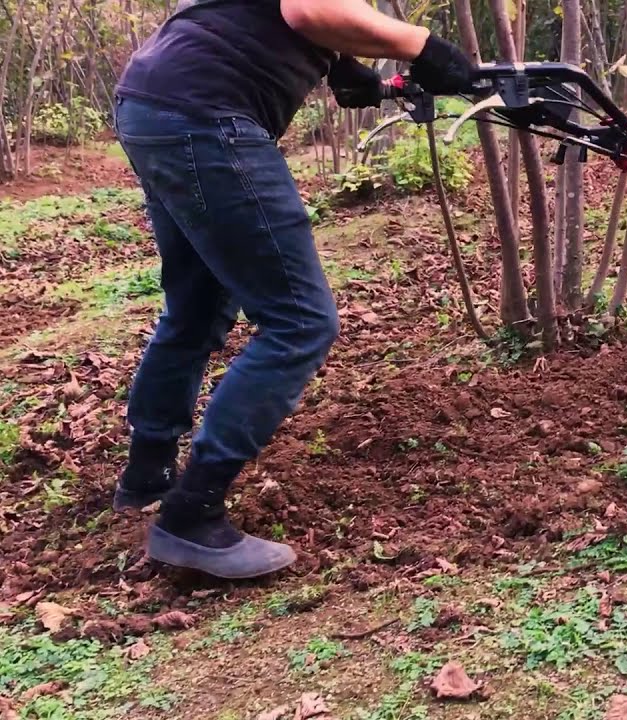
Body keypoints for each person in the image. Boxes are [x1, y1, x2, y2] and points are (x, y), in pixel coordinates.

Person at [110, 0, 475, 579]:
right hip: (207, 113)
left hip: (156, 101)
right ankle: (191, 514)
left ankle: (147, 476)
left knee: (197, 305)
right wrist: (423, 46)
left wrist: (340, 63)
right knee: (300, 320)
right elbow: (310, 8)